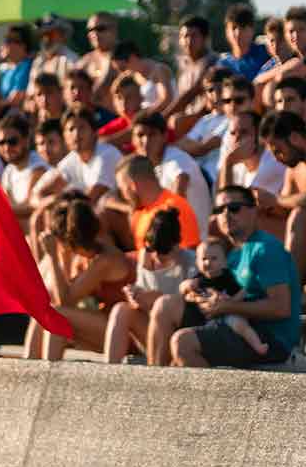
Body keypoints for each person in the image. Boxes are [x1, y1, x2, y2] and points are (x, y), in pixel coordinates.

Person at [152, 185, 300, 368]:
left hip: (269, 338)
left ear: (254, 211)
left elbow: (280, 308)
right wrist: (198, 295)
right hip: (232, 322)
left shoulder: (266, 250)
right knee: (164, 306)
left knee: (183, 342)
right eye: (219, 210)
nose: (226, 214)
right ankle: (153, 384)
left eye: (234, 208)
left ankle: (206, 396)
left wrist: (227, 305)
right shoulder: (230, 253)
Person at [23, 194, 134, 361]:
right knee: (45, 312)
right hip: (107, 325)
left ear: (67, 243)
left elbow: (64, 301)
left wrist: (54, 256)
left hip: (124, 334)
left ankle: (47, 375)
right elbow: (62, 294)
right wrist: (65, 259)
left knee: (56, 314)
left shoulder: (104, 260)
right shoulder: (88, 254)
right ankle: (29, 366)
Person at [103, 208, 195, 363]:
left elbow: (192, 310)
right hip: (149, 329)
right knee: (121, 309)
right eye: (152, 250)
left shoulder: (190, 262)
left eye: (163, 253)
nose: (157, 257)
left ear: (176, 245)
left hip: (177, 335)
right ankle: (109, 369)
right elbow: (140, 297)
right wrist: (134, 297)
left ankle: (156, 369)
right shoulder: (146, 258)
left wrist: (158, 298)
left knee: (162, 305)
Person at [261, 110, 306, 279]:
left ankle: (287, 293)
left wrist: (276, 200)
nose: (277, 159)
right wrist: (262, 206)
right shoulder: (294, 170)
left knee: (301, 216)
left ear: (295, 139)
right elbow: (283, 208)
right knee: (246, 216)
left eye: (278, 151)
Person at [177, 237, 271, 357]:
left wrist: (230, 302)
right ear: (197, 262)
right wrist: (185, 285)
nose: (207, 262)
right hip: (207, 316)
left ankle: (257, 345)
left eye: (214, 259)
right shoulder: (198, 278)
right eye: (203, 259)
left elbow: (242, 292)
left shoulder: (228, 277)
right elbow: (183, 291)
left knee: (240, 323)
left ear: (224, 262)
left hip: (228, 313)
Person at [132, 111, 211, 231]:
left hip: (193, 242)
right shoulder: (145, 166)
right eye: (140, 135)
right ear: (133, 140)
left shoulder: (176, 158)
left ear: (165, 136)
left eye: (152, 134)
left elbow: (181, 181)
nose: (146, 141)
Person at [217, 109, 287, 239]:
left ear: (259, 136)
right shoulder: (237, 164)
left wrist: (228, 163)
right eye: (233, 133)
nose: (237, 138)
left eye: (244, 132)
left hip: (286, 228)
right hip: (266, 226)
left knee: (241, 221)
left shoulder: (272, 162)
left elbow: (229, 203)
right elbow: (222, 207)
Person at [166, 15, 216, 119]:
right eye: (184, 36)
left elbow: (190, 95)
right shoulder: (183, 64)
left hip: (206, 120)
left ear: (205, 38)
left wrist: (164, 116)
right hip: (186, 118)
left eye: (194, 36)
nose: (188, 41)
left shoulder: (211, 61)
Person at [109, 40, 174, 113]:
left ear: (132, 58)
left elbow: (166, 100)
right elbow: (115, 90)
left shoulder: (158, 70)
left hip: (162, 116)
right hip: (148, 117)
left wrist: (143, 116)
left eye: (122, 68)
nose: (121, 73)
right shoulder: (136, 75)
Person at [216, 4, 271, 83]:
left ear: (252, 30)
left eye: (242, 27)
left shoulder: (266, 52)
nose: (237, 33)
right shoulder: (223, 63)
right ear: (226, 31)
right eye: (233, 28)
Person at [27, 14, 78, 97]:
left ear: (62, 35)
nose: (46, 39)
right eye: (43, 34)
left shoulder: (71, 60)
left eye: (51, 34)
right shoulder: (38, 62)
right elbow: (30, 91)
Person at [76, 12, 119, 108]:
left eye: (100, 29)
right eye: (90, 30)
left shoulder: (125, 56)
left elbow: (99, 91)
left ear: (114, 30)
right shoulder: (86, 60)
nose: (95, 33)